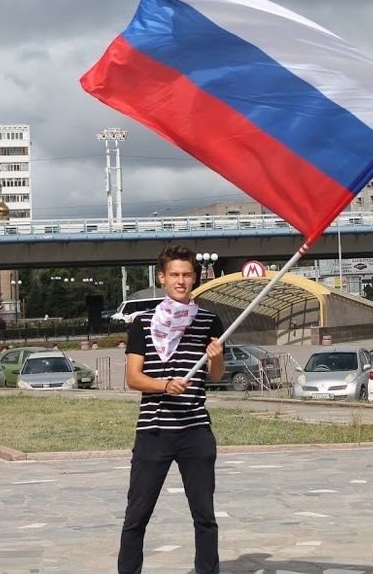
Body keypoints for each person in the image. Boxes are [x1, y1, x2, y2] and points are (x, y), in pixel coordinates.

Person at [118, 245, 225, 574]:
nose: (181, 281)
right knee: (137, 515)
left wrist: (217, 355)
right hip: (154, 432)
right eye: (174, 275)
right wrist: (165, 385)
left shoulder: (209, 320)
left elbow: (216, 376)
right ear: (162, 278)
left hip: (195, 431)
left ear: (195, 277)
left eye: (187, 274)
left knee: (205, 517)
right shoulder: (143, 323)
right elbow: (133, 378)